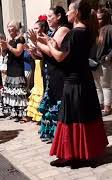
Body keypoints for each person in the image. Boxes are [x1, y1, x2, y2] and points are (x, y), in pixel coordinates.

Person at [44, 0, 108, 167]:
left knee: (72, 118)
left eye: (69, 10)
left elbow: (59, 57)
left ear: (77, 13)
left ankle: (73, 155)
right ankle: (85, 153)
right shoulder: (87, 31)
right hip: (84, 79)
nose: (66, 13)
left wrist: (50, 45)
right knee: (85, 116)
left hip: (74, 82)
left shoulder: (75, 33)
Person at [28, 6, 70, 143]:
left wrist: (37, 42)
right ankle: (55, 135)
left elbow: (53, 52)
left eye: (50, 16)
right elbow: (46, 54)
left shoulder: (62, 29)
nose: (48, 19)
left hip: (59, 73)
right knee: (51, 103)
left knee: (58, 103)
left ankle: (61, 136)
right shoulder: (53, 31)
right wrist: (35, 49)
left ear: (58, 16)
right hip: (51, 72)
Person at [1, 20, 28, 122]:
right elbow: (4, 55)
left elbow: (18, 52)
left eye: (11, 27)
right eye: (8, 28)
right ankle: (16, 113)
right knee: (12, 92)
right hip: (10, 68)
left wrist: (8, 46)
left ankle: (23, 115)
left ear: (16, 28)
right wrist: (2, 47)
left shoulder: (20, 39)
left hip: (17, 69)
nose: (9, 29)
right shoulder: (10, 40)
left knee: (19, 92)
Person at [25, 17, 49, 123]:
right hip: (37, 66)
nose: (34, 30)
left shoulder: (43, 38)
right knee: (36, 89)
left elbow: (46, 55)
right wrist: (32, 53)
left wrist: (36, 51)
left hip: (45, 66)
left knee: (43, 90)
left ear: (42, 28)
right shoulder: (35, 40)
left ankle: (43, 115)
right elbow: (37, 58)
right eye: (33, 28)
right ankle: (36, 115)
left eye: (36, 28)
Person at [93, 7, 112, 116]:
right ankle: (100, 105)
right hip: (95, 63)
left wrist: (108, 57)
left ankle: (107, 108)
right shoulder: (96, 29)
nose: (98, 20)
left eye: (100, 18)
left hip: (104, 62)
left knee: (106, 86)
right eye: (96, 18)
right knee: (97, 86)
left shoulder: (109, 28)